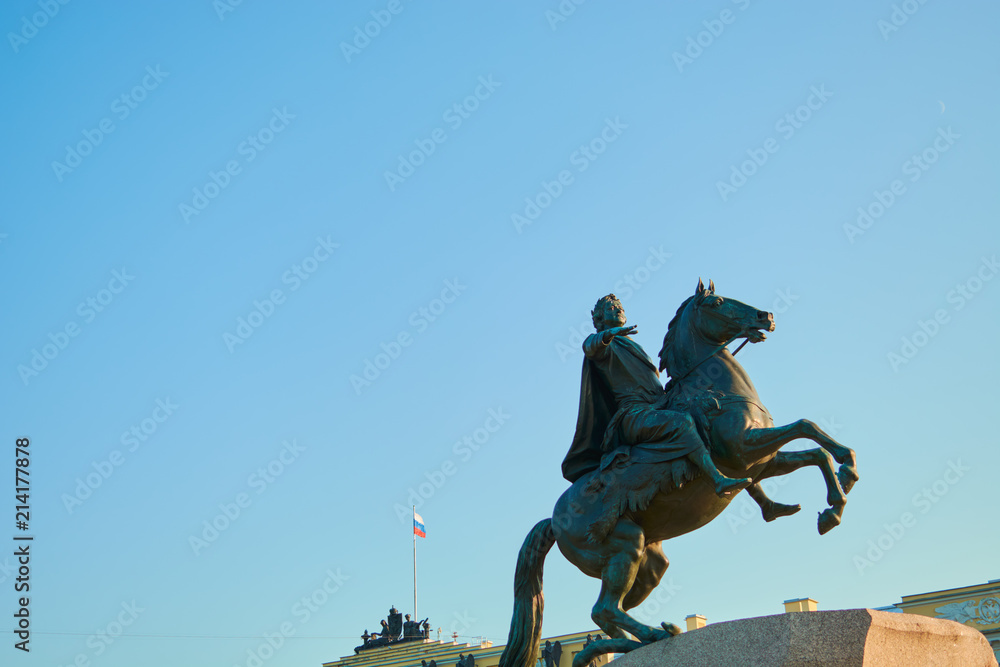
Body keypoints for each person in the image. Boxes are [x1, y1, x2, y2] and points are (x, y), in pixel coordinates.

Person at [563, 294, 751, 495]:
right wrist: (609, 334)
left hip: (657, 405)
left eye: (620, 307)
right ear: (600, 319)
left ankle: (762, 499)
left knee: (708, 413)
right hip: (633, 415)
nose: (618, 310)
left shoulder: (632, 344)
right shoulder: (605, 345)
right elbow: (589, 347)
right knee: (682, 422)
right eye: (611, 308)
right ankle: (717, 480)